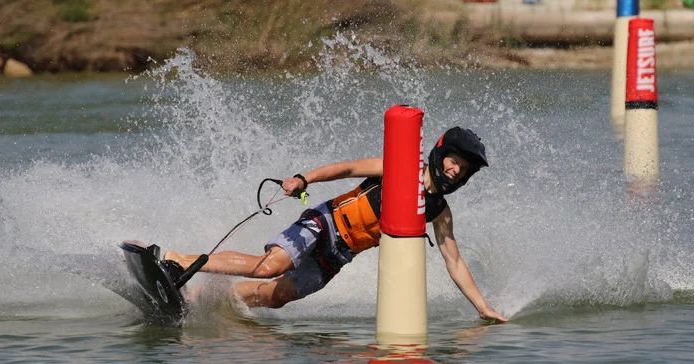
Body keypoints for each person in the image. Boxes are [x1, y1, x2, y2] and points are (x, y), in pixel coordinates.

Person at [161, 126, 507, 323]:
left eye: (463, 168)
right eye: (453, 161)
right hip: (325, 222)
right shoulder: (400, 167)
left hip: (337, 257)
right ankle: (178, 262)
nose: (455, 170)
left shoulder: (439, 212)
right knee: (269, 267)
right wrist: (303, 178)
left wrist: (483, 308)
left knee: (272, 296)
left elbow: (454, 261)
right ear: (440, 152)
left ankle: (204, 298)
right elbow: (347, 169)